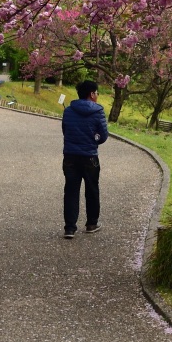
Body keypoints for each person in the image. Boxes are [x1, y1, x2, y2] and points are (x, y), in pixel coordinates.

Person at [61, 78, 108, 238]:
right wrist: (93, 139)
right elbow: (103, 136)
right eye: (96, 93)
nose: (97, 96)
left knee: (71, 190)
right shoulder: (98, 111)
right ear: (92, 94)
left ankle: (70, 228)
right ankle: (91, 223)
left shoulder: (68, 110)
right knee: (92, 190)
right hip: (89, 157)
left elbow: (65, 131)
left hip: (70, 156)